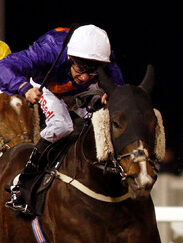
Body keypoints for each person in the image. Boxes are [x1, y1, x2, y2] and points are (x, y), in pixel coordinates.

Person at [0, 25, 124, 216]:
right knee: (62, 126)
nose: (83, 77)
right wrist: (24, 87)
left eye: (91, 72)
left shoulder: (100, 56)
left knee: (103, 121)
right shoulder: (48, 51)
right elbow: (4, 66)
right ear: (69, 57)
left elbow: (113, 72)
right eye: (81, 69)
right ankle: (24, 182)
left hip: (78, 93)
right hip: (48, 88)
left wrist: (113, 91)